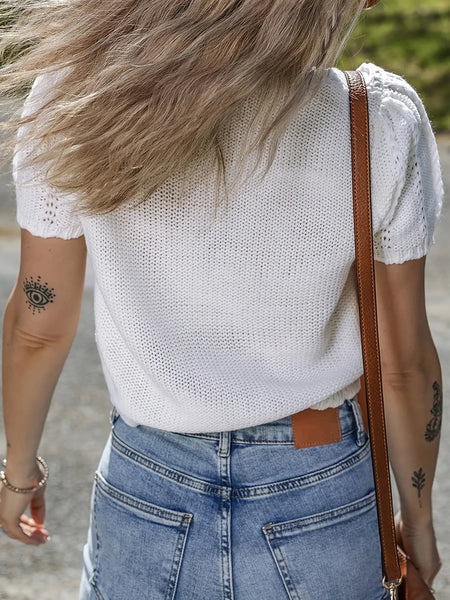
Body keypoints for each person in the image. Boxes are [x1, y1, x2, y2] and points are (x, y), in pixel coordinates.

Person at [0, 0, 443, 598]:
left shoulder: (77, 101)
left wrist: (19, 473)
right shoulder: (375, 121)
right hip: (320, 484)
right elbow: (405, 365)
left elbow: (38, 328)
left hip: (146, 484)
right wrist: (418, 524)